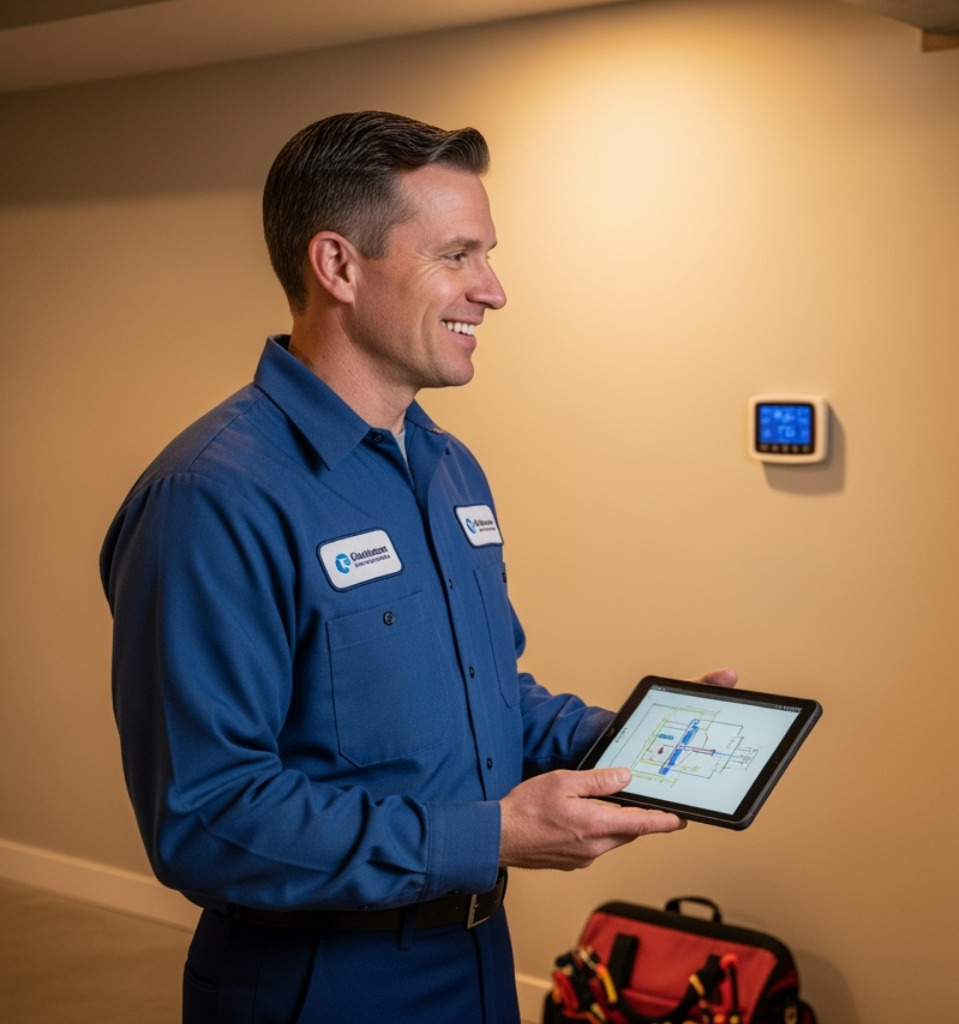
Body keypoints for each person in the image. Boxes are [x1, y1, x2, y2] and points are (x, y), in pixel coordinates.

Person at [99, 110, 733, 1024]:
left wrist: (634, 745)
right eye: (457, 255)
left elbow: (484, 695)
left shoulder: (445, 466)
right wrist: (495, 833)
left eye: (489, 254)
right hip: (318, 982)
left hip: (474, 958)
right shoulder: (214, 494)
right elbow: (209, 816)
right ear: (339, 267)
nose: (495, 290)